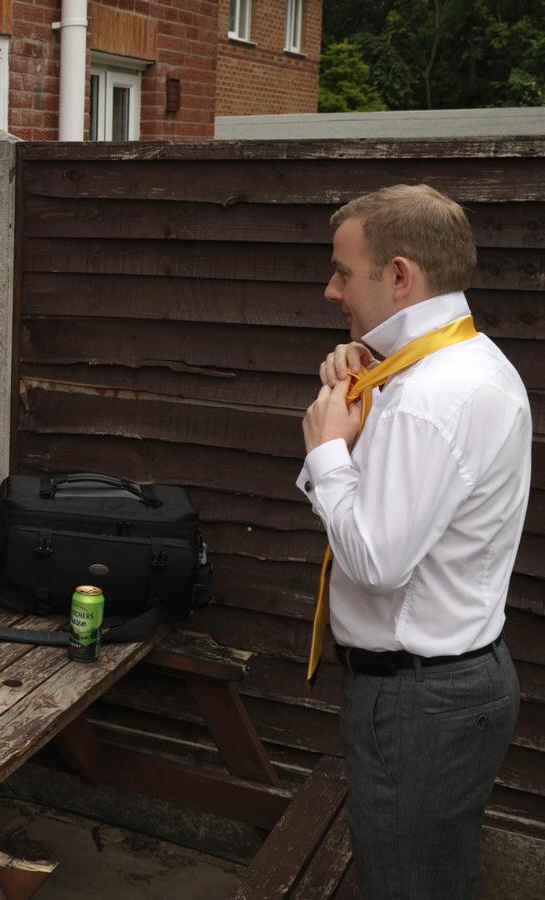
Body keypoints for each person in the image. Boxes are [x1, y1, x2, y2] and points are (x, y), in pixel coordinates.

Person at [300, 184, 528, 899]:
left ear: (399, 275)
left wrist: (328, 452)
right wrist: (361, 408)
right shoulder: (446, 368)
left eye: (344, 271)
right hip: (438, 692)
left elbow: (374, 561)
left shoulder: (432, 396)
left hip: (419, 702)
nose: (330, 290)